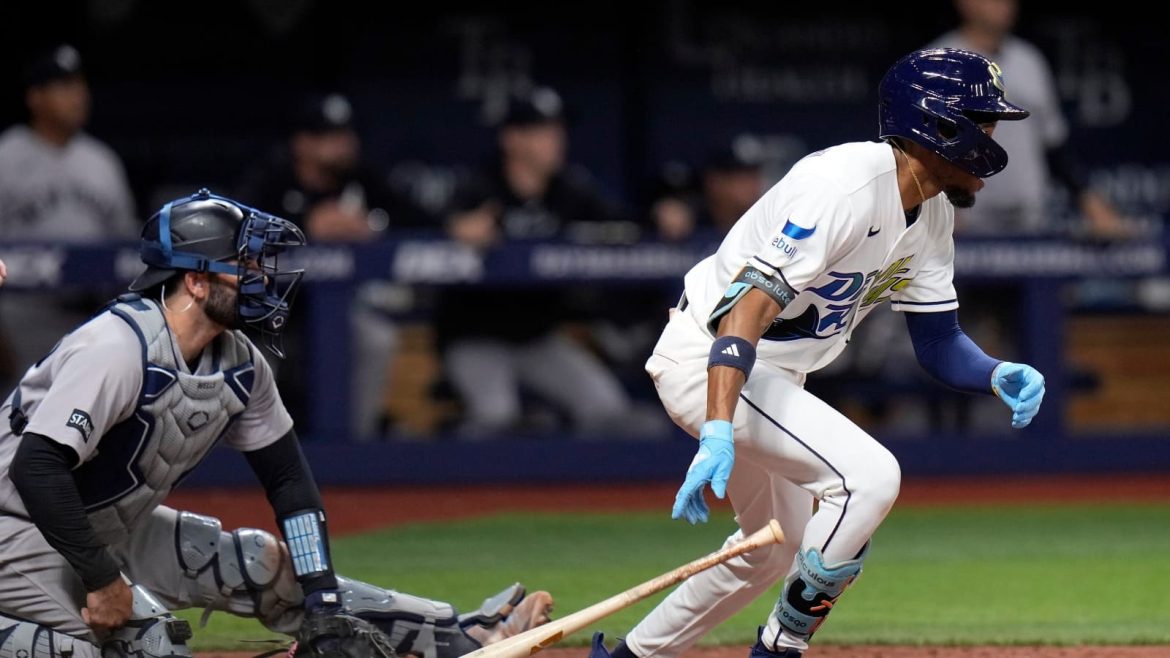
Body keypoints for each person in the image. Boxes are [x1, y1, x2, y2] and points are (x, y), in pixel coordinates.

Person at [588, 48, 1047, 658]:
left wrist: (993, 372)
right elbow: (746, 311)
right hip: (713, 360)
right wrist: (718, 427)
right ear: (939, 126)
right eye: (982, 125)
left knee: (774, 548)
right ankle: (779, 648)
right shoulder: (841, 187)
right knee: (868, 479)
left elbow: (937, 341)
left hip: (774, 377)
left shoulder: (932, 214)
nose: (991, 143)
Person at [0, 190, 552, 657]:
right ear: (195, 281)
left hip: (98, 524)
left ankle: (460, 634)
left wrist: (324, 603)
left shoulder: (241, 363)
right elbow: (37, 467)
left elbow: (289, 483)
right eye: (243, 265)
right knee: (147, 645)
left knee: (260, 566)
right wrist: (102, 580)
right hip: (15, 530)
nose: (260, 276)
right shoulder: (116, 347)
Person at [435, 85, 656, 439]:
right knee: (495, 419)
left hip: (537, 338)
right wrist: (454, 227)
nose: (556, 141)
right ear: (512, 139)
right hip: (475, 336)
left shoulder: (569, 189)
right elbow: (432, 226)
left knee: (608, 411)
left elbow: (625, 225)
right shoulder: (478, 186)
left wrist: (662, 214)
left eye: (558, 131)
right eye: (543, 132)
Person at [236, 92, 437, 438]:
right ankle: (249, 451)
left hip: (338, 309)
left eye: (346, 134)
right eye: (329, 136)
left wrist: (371, 225)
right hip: (266, 314)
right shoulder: (273, 178)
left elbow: (418, 220)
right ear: (302, 143)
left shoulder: (361, 179)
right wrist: (303, 225)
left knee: (377, 339)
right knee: (249, 359)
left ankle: (356, 444)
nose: (343, 144)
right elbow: (235, 230)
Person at [0, 43, 139, 394]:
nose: (79, 96)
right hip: (21, 320)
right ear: (35, 97)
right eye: (64, 86)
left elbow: (127, 253)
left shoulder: (102, 162)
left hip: (89, 321)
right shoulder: (6, 156)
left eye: (80, 85)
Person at [928, 0, 1130, 238]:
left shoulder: (1029, 61)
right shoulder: (935, 63)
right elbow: (913, 152)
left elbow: (1054, 146)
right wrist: (934, 208)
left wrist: (1091, 204)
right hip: (962, 229)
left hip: (1030, 224)